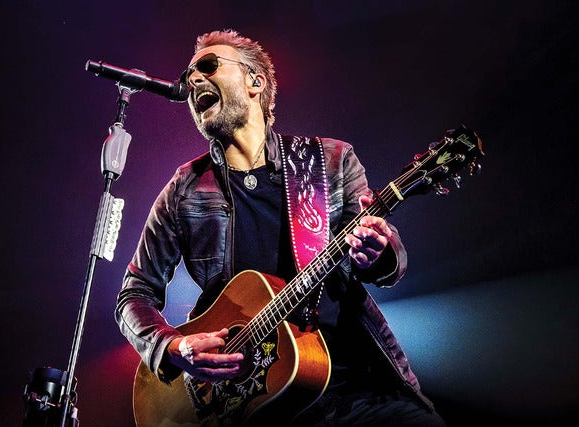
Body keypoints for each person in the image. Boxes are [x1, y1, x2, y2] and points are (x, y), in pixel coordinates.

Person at [115, 29, 447, 427]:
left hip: (357, 389)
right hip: (255, 406)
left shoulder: (330, 160)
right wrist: (173, 347)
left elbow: (385, 261)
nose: (194, 79)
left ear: (255, 82)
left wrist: (377, 252)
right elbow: (134, 294)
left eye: (208, 66)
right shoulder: (184, 190)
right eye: (189, 76)